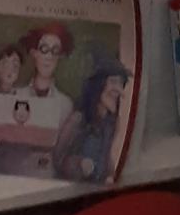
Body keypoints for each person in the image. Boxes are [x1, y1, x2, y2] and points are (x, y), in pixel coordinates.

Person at [52, 57, 130, 185]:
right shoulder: (78, 119)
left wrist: (112, 175)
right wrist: (79, 164)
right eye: (113, 82)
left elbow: (106, 156)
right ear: (99, 85)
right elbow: (58, 159)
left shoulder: (112, 123)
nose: (118, 89)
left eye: (121, 83)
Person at [19, 22, 74, 137]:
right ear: (34, 53)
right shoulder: (17, 96)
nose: (49, 56)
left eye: (55, 50)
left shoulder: (65, 104)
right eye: (44, 49)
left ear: (59, 56)